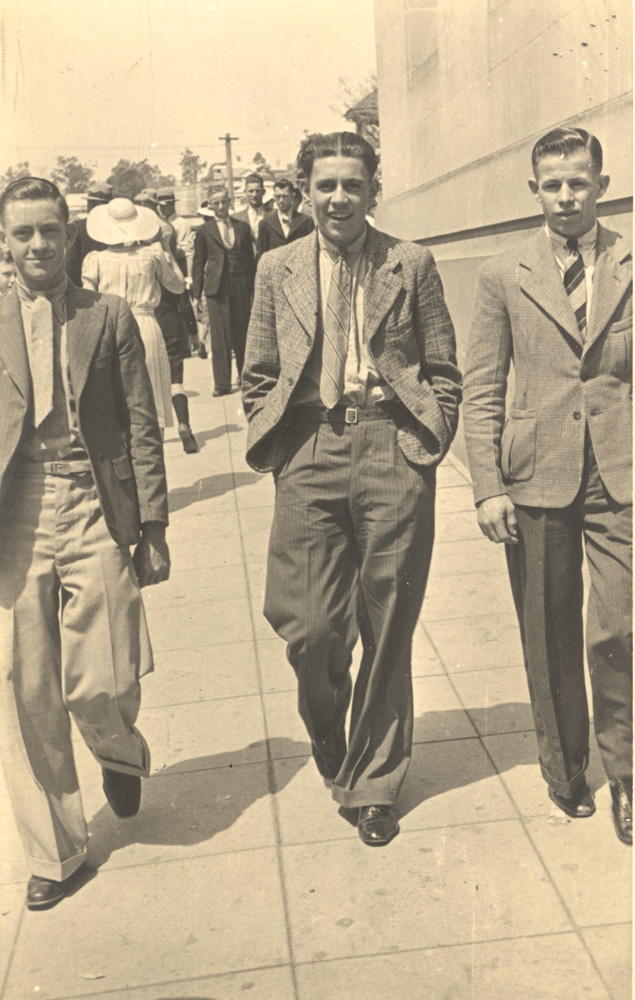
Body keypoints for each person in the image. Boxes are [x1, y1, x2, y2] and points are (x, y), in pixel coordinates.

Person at [242, 132, 461, 845]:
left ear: (373, 188)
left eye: (351, 184)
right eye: (324, 184)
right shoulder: (276, 266)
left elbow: (443, 368)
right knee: (309, 628)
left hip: (390, 446)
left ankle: (374, 782)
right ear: (304, 190)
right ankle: (327, 723)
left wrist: (424, 442)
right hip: (306, 448)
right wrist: (278, 445)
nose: (338, 197)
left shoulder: (410, 262)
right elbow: (259, 372)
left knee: (388, 622)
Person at [0, 176, 170, 910]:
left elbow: (140, 424)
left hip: (94, 505)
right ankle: (58, 852)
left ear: (72, 235)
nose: (38, 245)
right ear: (6, 243)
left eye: (49, 230)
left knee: (102, 677)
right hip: (17, 516)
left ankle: (118, 750)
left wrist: (153, 525)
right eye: (22, 234)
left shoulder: (109, 315)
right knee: (27, 688)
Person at [463, 127, 632, 845]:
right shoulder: (504, 273)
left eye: (579, 182)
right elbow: (480, 388)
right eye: (552, 184)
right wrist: (485, 486)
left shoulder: (629, 259)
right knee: (548, 628)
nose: (566, 196)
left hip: (621, 474)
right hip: (534, 478)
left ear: (600, 184)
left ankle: (624, 773)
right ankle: (564, 770)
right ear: (534, 191)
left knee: (619, 627)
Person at [82, 197, 185, 437]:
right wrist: (166, 248)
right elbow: (178, 286)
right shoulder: (151, 256)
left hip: (110, 326)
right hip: (146, 325)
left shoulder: (95, 259)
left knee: (120, 398)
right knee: (152, 396)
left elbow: (88, 302)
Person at [192, 186, 255, 396]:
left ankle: (245, 379)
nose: (220, 207)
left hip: (241, 284)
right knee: (220, 337)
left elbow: (250, 261)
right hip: (217, 288)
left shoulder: (242, 227)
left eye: (223, 202)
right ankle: (222, 384)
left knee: (242, 334)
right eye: (215, 203)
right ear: (210, 205)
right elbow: (198, 263)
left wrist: (253, 288)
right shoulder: (204, 230)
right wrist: (196, 294)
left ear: (230, 202)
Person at [64, 181, 112, 286]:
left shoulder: (78, 227)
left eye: (89, 203)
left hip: (85, 289)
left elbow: (70, 266)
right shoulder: (120, 227)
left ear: (93, 204)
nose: (88, 206)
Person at [256, 177, 314, 258]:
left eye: (285, 196)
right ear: (274, 197)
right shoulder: (265, 224)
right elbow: (262, 256)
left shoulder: (306, 221)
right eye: (278, 196)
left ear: (293, 196)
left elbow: (311, 253)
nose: (281, 200)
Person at [233, 173, 272, 255]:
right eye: (251, 191)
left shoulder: (274, 214)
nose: (254, 195)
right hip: (245, 264)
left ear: (263, 192)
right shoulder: (236, 218)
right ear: (245, 192)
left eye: (258, 191)